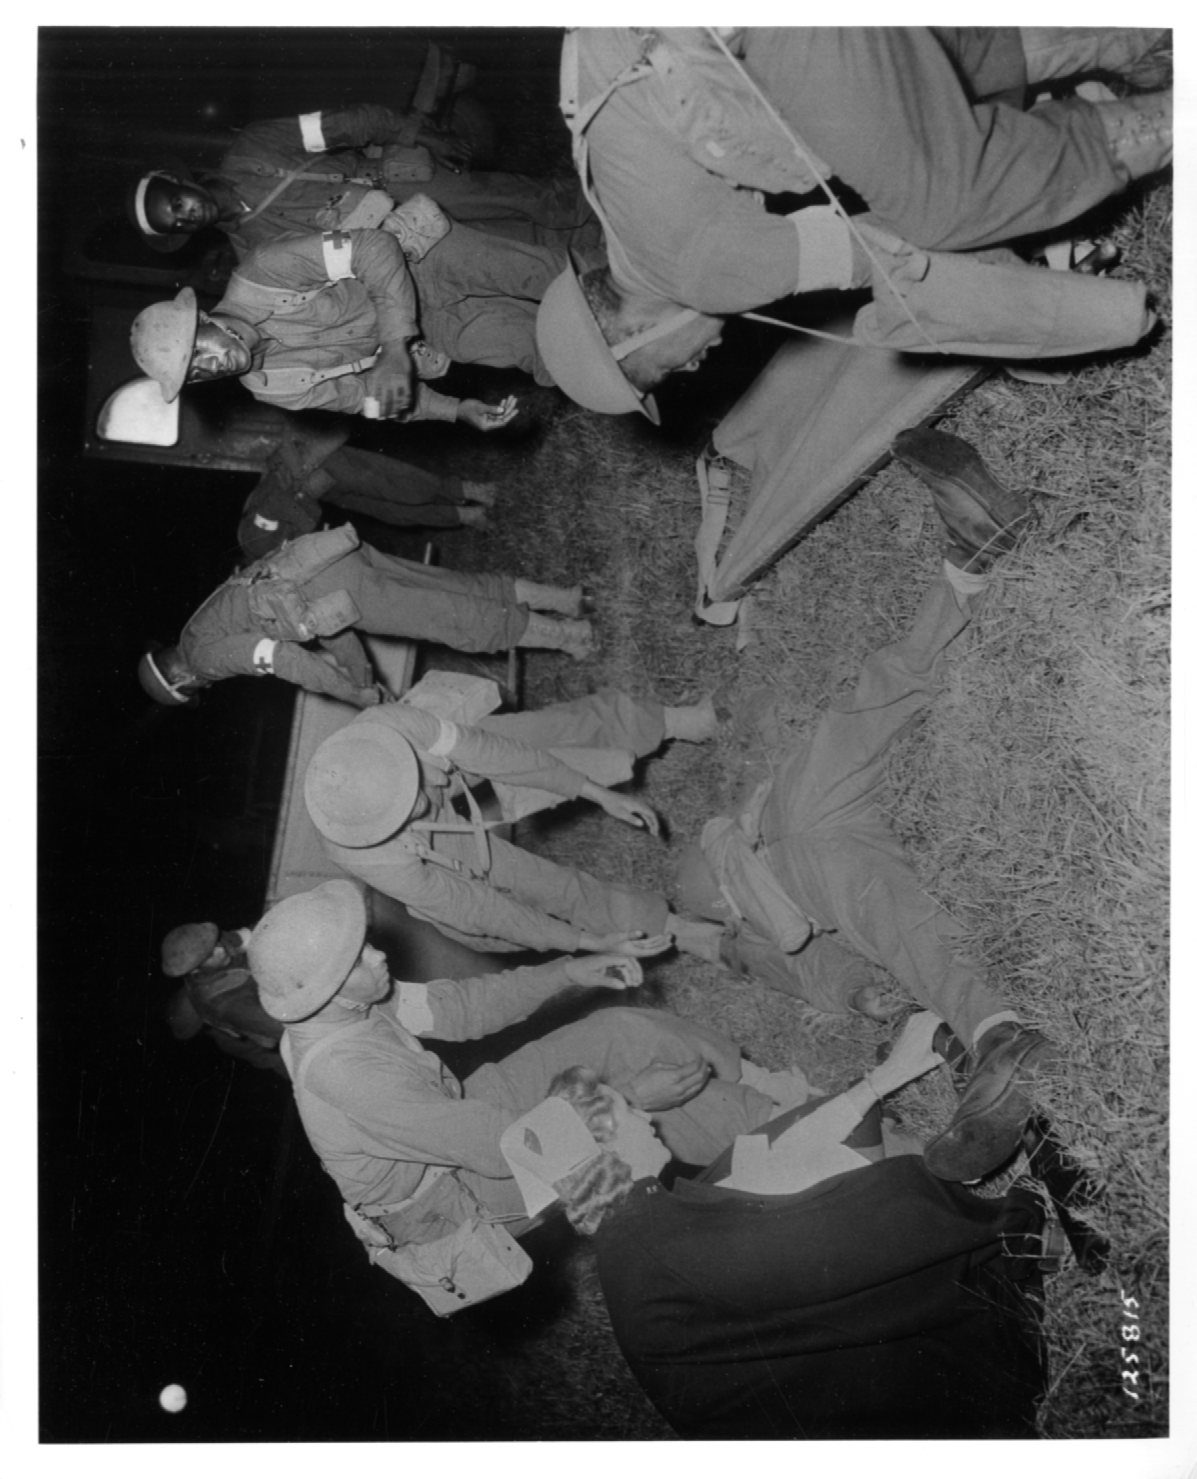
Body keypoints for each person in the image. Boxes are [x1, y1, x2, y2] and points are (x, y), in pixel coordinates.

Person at [669, 426, 1058, 1181]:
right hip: (801, 845)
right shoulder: (738, 936)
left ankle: (996, 1036)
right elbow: (808, 969)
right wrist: (857, 993)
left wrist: (847, 989)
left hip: (790, 834)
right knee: (892, 898)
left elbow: (796, 958)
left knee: (879, 710)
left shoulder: (721, 914)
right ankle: (971, 560)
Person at [536, 26, 1171, 420]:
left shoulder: (694, 274)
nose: (695, 368)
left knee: (944, 198)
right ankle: (1145, 32)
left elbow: (886, 254)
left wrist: (1018, 313)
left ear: (633, 331)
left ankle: (1166, 124)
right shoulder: (621, 212)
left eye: (666, 370)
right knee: (941, 71)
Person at [498, 1015, 1051, 1440]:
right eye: (628, 1111)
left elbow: (757, 1191)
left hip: (820, 1396)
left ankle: (901, 1107)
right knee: (864, 1205)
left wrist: (871, 1087)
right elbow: (844, 1245)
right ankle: (997, 1213)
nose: (646, 1117)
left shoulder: (636, 1225)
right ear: (608, 1148)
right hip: (912, 1413)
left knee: (759, 1157)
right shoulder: (659, 1240)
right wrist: (1015, 1214)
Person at [247, 880, 798, 1226]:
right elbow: (499, 1148)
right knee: (635, 1126)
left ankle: (757, 1086)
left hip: (463, 1115)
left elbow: (461, 1009)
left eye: (364, 944)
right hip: (467, 1190)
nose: (378, 955)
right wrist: (628, 1098)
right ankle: (791, 1144)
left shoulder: (346, 1005)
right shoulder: (347, 1075)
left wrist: (568, 972)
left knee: (620, 1032)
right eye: (357, 960)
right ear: (327, 990)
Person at [303, 686, 732, 958]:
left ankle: (679, 721)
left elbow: (499, 755)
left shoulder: (389, 725)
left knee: (550, 729)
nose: (423, 799)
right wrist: (587, 943)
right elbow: (481, 909)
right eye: (407, 806)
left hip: (432, 753)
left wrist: (593, 791)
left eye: (414, 786)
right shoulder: (372, 857)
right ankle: (670, 930)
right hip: (426, 846)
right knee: (545, 887)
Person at [136, 522, 596, 711]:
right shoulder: (201, 623)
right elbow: (322, 625)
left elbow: (285, 658)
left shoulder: (203, 658)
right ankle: (567, 599)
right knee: (454, 587)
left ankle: (573, 636)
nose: (201, 686)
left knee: (456, 620)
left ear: (180, 679)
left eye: (190, 689)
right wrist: (361, 677)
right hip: (329, 559)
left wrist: (349, 695)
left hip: (337, 588)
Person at [129, 230, 537, 425]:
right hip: (434, 338)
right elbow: (367, 401)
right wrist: (454, 410)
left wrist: (394, 347)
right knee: (537, 349)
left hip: (426, 267)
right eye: (195, 373)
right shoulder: (275, 389)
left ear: (202, 319)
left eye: (197, 351)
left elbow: (373, 246)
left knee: (544, 274)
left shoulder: (264, 271)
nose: (209, 367)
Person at [127, 101, 599, 256]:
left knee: (525, 198)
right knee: (513, 246)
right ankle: (601, 256)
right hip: (398, 240)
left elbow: (349, 124)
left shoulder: (254, 147)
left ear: (183, 182)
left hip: (392, 183)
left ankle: (613, 207)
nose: (188, 215)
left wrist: (421, 135)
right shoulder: (253, 252)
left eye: (178, 202)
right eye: (178, 223)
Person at [237, 421, 497, 561]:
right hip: (321, 491)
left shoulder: (256, 542)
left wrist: (307, 519)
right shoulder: (271, 561)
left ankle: (471, 490)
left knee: (398, 485)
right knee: (394, 512)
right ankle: (467, 515)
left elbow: (277, 503)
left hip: (311, 466)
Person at [160, 920, 285, 1076]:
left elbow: (254, 930)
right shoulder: (228, 1004)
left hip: (254, 992)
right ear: (194, 970)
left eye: (215, 942)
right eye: (211, 954)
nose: (221, 950)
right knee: (284, 1060)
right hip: (252, 1026)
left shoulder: (213, 946)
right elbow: (284, 1026)